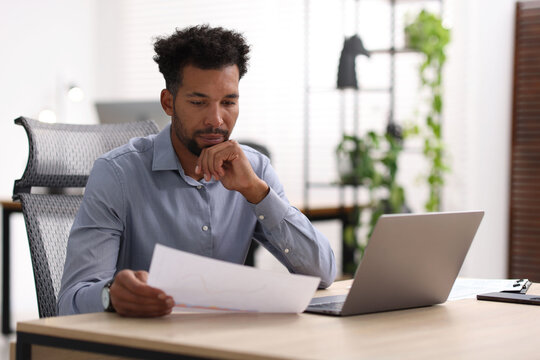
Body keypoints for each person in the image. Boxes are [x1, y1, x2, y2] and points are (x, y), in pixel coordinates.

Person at [58, 25, 336, 317]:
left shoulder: (255, 170)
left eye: (228, 102)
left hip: (224, 341)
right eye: (198, 102)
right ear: (169, 102)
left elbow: (323, 273)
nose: (216, 119)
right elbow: (69, 303)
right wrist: (110, 296)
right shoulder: (116, 174)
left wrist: (256, 192)